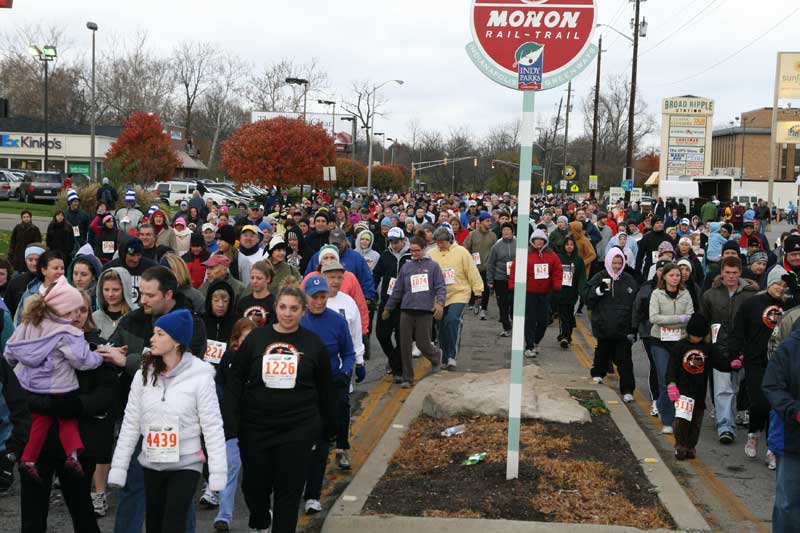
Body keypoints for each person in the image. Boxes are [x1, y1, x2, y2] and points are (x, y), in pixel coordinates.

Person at [222, 281, 336, 533]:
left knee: (289, 492)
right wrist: (231, 421)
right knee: (253, 487)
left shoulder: (313, 344)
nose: (288, 313)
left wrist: (328, 429)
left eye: (294, 308)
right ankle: (261, 519)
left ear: (303, 311)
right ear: (275, 308)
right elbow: (235, 380)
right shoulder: (256, 340)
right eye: (283, 307)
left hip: (298, 429)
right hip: (256, 428)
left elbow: (326, 390)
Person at [109, 309, 227, 533]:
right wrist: (119, 466)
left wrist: (217, 472)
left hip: (187, 462)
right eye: (154, 333)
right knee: (154, 522)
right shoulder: (143, 374)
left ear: (176, 341)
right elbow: (131, 423)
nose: (152, 339)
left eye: (160, 334)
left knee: (173, 521)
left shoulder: (201, 376)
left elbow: (212, 426)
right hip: (152, 458)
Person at [4, 276, 103, 480]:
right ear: (63, 309)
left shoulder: (29, 324)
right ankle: (73, 454)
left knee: (39, 421)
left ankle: (28, 459)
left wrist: (11, 374)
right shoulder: (67, 332)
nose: (76, 315)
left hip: (30, 385)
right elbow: (81, 360)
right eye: (74, 310)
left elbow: (10, 351)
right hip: (59, 385)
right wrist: (99, 356)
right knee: (67, 418)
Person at [300, 275, 356, 513]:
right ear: (306, 299)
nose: (320, 302)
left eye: (323, 297)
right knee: (301, 443)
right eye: (315, 298)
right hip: (301, 390)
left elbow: (349, 352)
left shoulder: (337, 321)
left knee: (322, 442)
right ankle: (297, 485)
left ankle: (313, 494)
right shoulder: (298, 321)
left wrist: (345, 373)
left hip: (328, 388)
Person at [731, 266, 787, 468]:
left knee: (775, 406)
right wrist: (737, 353)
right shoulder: (752, 304)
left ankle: (772, 449)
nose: (780, 288)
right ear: (769, 283)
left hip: (780, 364)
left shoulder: (787, 305)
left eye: (784, 285)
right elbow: (738, 330)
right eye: (777, 284)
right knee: (761, 402)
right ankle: (753, 433)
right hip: (755, 361)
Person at [700, 255, 759, 444]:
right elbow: (704, 321)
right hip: (720, 350)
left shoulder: (751, 295)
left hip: (745, 351)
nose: (731, 276)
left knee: (738, 389)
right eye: (727, 273)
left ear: (740, 272)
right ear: (722, 273)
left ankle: (738, 418)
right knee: (723, 390)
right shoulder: (711, 294)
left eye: (734, 273)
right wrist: (708, 343)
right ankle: (725, 426)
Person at [211, 317, 256, 531]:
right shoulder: (228, 357)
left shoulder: (260, 358)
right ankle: (224, 515)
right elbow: (219, 382)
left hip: (255, 424)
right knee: (231, 469)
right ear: (236, 339)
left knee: (257, 476)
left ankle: (260, 512)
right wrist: (224, 403)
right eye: (243, 337)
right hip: (231, 423)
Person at [382, 236, 445, 387]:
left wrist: (440, 304)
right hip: (407, 310)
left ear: (424, 249)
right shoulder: (406, 267)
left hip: (424, 311)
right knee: (405, 345)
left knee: (423, 343)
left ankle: (436, 356)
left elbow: (440, 286)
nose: (414, 253)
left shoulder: (433, 266)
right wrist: (388, 307)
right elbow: (397, 289)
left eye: (417, 250)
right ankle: (407, 377)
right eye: (412, 251)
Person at [584, 247, 639, 399]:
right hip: (604, 325)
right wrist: (599, 291)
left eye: (619, 263)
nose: (616, 266)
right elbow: (588, 299)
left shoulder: (629, 279)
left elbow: (635, 305)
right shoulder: (599, 277)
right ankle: (598, 373)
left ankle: (627, 389)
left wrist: (634, 328)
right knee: (603, 351)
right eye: (614, 262)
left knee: (625, 360)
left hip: (623, 328)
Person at [762, 321, 800, 531]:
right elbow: (772, 385)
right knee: (788, 503)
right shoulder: (791, 347)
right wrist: (795, 410)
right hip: (792, 440)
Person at [648, 262, 694, 432]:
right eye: (671, 275)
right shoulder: (656, 294)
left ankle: (661, 404)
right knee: (664, 379)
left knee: (678, 380)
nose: (675, 278)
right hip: (659, 340)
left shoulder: (685, 294)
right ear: (664, 276)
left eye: (677, 275)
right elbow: (654, 318)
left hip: (680, 342)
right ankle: (668, 420)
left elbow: (690, 316)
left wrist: (680, 319)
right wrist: (678, 319)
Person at [428, 226, 483, 369]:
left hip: (459, 293)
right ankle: (445, 357)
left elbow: (472, 271)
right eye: (438, 242)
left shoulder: (462, 252)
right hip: (439, 296)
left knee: (452, 320)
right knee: (441, 326)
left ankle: (452, 355)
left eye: (442, 242)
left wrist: (478, 291)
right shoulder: (431, 253)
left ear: (449, 240)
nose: (440, 245)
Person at [509, 229, 562, 358]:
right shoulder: (525, 254)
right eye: (536, 239)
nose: (539, 241)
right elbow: (515, 269)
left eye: (541, 239)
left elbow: (558, 270)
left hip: (545, 293)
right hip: (529, 293)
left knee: (544, 321)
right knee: (530, 320)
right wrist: (512, 285)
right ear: (532, 241)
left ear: (545, 241)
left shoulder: (551, 255)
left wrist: (557, 285)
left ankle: (536, 341)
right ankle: (529, 345)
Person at [372, 227, 411, 380]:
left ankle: (399, 370)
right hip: (387, 301)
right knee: (381, 334)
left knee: (402, 337)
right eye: (391, 242)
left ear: (403, 240)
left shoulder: (410, 256)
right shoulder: (385, 255)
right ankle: (394, 360)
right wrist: (372, 291)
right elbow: (376, 274)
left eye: (396, 242)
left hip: (405, 303)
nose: (394, 245)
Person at [103, 237, 158, 303]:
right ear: (123, 253)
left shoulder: (151, 268)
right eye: (132, 255)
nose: (136, 259)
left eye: (138, 255)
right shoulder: (110, 268)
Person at [463, 211, 496, 319]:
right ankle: (475, 302)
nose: (489, 223)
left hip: (487, 267)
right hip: (474, 267)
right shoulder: (472, 234)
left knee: (486, 289)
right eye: (487, 221)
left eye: (490, 221)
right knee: (475, 287)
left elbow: (495, 251)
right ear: (481, 222)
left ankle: (484, 309)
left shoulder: (493, 235)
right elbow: (465, 248)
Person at [486, 222, 516, 337]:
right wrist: (490, 279)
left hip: (515, 279)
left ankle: (513, 320)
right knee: (502, 304)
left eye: (508, 229)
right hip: (500, 278)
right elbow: (491, 263)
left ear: (512, 231)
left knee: (513, 303)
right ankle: (506, 327)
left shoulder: (518, 244)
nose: (506, 232)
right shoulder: (496, 246)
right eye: (504, 230)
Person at [556, 236, 586, 349]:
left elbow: (582, 277)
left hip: (573, 292)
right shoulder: (559, 258)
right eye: (567, 244)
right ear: (564, 246)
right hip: (561, 291)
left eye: (571, 245)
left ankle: (566, 334)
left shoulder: (578, 260)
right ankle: (566, 336)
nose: (569, 246)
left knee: (569, 315)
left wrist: (581, 290)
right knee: (563, 315)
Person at [93, 267, 137, 340]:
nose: (110, 294)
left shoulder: (135, 316)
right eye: (106, 290)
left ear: (125, 290)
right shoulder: (95, 318)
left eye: (116, 290)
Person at [5, 244, 43, 318]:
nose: (34, 263)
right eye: (30, 260)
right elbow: (7, 310)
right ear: (26, 260)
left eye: (37, 260)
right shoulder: (15, 282)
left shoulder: (49, 280)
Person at [236, 260, 275, 327]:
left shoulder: (274, 302)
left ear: (268, 279)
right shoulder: (243, 302)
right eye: (252, 278)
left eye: (259, 278)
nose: (254, 281)